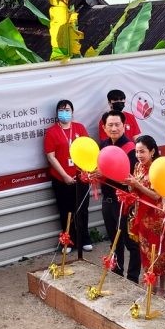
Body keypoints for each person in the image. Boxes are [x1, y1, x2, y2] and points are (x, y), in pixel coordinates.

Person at [44, 99, 93, 252]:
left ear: (72, 112)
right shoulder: (52, 132)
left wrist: (86, 171)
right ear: (57, 113)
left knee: (82, 209)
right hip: (61, 179)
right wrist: (64, 175)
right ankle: (68, 241)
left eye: (67, 110)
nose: (64, 112)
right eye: (61, 110)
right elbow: (51, 156)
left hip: (81, 177)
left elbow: (88, 149)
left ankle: (84, 238)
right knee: (66, 210)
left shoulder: (80, 128)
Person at [98, 111, 140, 283]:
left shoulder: (131, 149)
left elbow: (129, 179)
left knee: (130, 241)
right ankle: (117, 272)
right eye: (110, 125)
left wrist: (104, 173)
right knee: (114, 240)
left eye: (117, 125)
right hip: (107, 200)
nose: (114, 128)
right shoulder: (103, 146)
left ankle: (132, 278)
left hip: (125, 202)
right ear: (104, 128)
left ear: (124, 126)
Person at [126, 135, 165, 292]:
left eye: (142, 152)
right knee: (145, 252)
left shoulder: (158, 169)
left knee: (160, 253)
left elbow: (157, 195)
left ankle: (163, 288)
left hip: (157, 218)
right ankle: (150, 283)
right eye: (137, 152)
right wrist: (130, 187)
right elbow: (134, 189)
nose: (139, 155)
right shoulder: (138, 166)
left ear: (152, 151)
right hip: (142, 217)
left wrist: (137, 184)